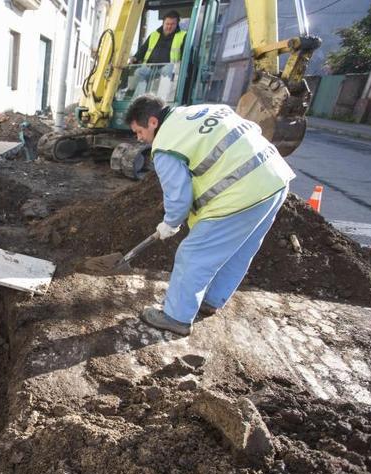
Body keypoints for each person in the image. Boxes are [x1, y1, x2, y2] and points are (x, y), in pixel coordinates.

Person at [124, 94, 295, 336]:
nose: (139, 138)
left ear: (152, 122)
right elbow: (252, 128)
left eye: (138, 131)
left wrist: (170, 224)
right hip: (274, 178)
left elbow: (179, 197)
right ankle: (211, 300)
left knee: (193, 254)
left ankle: (176, 317)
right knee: (239, 249)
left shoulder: (165, 145)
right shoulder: (203, 111)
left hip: (240, 194)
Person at [122, 10, 187, 97]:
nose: (169, 26)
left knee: (167, 70)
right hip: (150, 67)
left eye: (172, 24)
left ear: (177, 24)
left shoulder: (182, 36)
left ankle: (162, 99)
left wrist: (181, 65)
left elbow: (185, 55)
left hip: (169, 67)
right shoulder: (154, 35)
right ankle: (134, 97)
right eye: (167, 24)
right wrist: (135, 58)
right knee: (139, 72)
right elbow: (143, 49)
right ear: (163, 23)